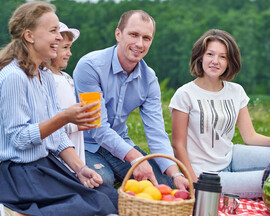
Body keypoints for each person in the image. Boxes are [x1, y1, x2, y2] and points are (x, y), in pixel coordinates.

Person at [0, 1, 118, 215]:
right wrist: (64, 118)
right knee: (95, 206)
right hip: (19, 174)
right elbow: (18, 138)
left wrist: (80, 169)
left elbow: (56, 136)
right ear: (29, 36)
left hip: (44, 166)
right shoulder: (14, 77)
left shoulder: (43, 75)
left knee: (109, 196)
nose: (58, 37)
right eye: (53, 30)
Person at [73, 10, 189, 190]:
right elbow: (97, 128)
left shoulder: (149, 79)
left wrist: (176, 173)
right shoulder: (90, 66)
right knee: (102, 181)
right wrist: (135, 157)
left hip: (119, 141)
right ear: (118, 34)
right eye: (133, 35)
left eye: (146, 38)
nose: (139, 44)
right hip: (85, 143)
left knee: (165, 184)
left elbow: (156, 133)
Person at [169, 29, 270, 198]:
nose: (215, 61)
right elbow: (178, 146)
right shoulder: (185, 94)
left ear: (230, 62)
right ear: (200, 56)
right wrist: (195, 183)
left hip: (231, 157)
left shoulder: (236, 91)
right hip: (206, 175)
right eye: (210, 54)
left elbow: (249, 136)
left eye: (223, 57)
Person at [48, 22, 86, 166]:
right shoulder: (45, 79)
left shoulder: (67, 78)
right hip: (58, 155)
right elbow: (49, 122)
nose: (69, 53)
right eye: (65, 48)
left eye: (69, 47)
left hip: (76, 146)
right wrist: (77, 125)